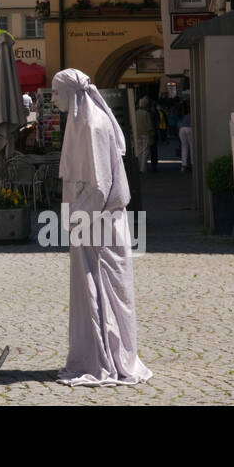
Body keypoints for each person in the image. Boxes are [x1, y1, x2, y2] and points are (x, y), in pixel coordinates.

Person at [51, 69, 151, 386]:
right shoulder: (80, 122)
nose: (53, 100)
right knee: (91, 292)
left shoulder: (91, 125)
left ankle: (105, 359)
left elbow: (99, 186)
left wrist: (75, 218)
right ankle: (91, 354)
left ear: (70, 93)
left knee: (103, 290)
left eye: (55, 93)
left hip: (98, 224)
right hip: (91, 223)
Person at [135, 96, 156, 173]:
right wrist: (152, 132)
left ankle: (139, 167)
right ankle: (143, 168)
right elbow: (149, 125)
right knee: (145, 152)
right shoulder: (146, 113)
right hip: (145, 134)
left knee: (139, 151)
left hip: (137, 134)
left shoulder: (135, 113)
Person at [178, 102, 193, 172]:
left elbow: (178, 123)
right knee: (192, 146)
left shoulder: (183, 115)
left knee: (184, 146)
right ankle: (193, 163)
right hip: (190, 128)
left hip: (181, 128)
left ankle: (184, 164)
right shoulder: (192, 114)